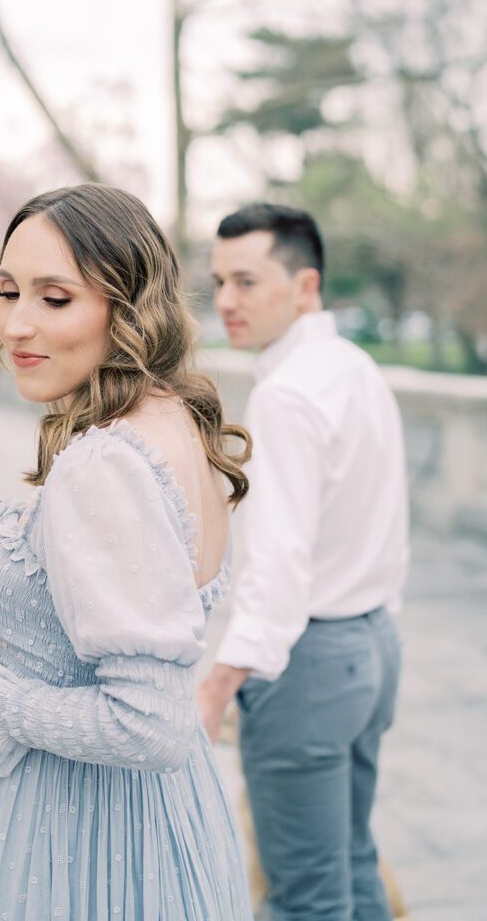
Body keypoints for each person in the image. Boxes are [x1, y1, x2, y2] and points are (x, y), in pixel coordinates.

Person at [0, 183, 255, 921]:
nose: (15, 325)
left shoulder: (106, 466)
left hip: (76, 846)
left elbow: (153, 724)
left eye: (56, 298)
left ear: (127, 308)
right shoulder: (175, 423)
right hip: (136, 823)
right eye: (7, 292)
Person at [196, 204, 409, 921]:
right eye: (220, 281)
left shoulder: (286, 394)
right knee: (351, 861)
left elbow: (278, 564)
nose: (226, 300)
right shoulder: (355, 367)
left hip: (312, 662)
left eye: (247, 282)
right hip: (371, 645)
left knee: (302, 897)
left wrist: (220, 684)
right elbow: (389, 526)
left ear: (305, 285)